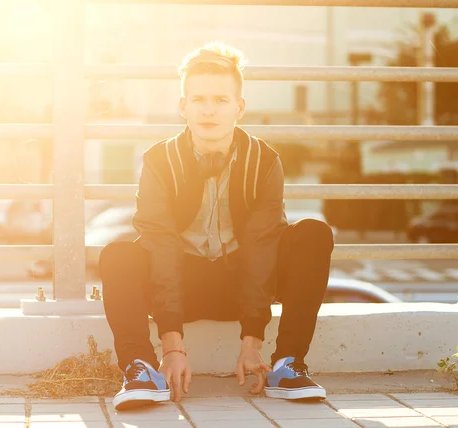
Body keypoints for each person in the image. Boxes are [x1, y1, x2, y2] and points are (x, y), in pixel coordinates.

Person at [99, 42, 334, 411]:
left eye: (221, 100)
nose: (209, 110)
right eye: (199, 100)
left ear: (239, 107)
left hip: (240, 283)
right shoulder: (160, 160)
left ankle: (288, 366)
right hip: (182, 285)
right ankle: (141, 369)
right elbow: (159, 246)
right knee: (118, 254)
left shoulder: (263, 160)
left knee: (312, 233)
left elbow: (261, 246)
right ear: (183, 106)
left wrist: (251, 341)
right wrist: (172, 345)